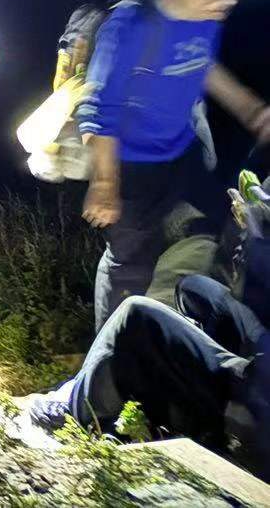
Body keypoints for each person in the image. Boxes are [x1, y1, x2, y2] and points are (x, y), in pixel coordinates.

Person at [21, 180, 270, 477]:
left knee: (135, 314)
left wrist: (258, 241)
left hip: (259, 388)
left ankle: (76, 409)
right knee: (195, 290)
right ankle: (183, 397)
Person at [77, 0, 268, 325]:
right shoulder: (130, 25)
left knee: (226, 223)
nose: (225, 3)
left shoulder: (206, 21)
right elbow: (99, 109)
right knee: (129, 262)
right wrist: (104, 183)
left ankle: (193, 321)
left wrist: (253, 110)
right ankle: (111, 354)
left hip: (181, 151)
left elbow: (204, 66)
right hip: (130, 166)